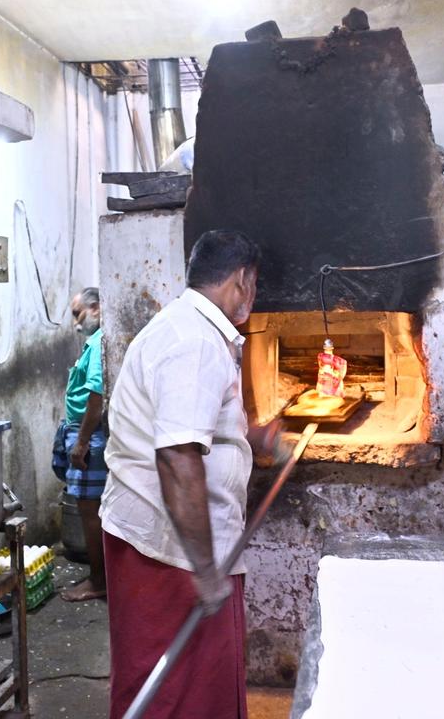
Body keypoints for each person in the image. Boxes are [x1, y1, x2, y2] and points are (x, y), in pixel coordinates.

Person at [100, 229, 280, 719]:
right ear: (242, 280)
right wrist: (204, 572)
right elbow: (178, 460)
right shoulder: (195, 343)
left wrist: (250, 436)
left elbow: (187, 427)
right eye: (255, 284)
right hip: (172, 553)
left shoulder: (181, 327)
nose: (253, 295)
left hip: (166, 542)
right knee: (178, 692)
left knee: (181, 681)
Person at [51, 286, 108, 602]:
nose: (75, 322)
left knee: (91, 512)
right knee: (89, 509)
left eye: (78, 313)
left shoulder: (100, 343)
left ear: (96, 308)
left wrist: (82, 442)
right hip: (82, 432)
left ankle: (99, 581)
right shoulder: (93, 343)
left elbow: (96, 398)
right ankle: (98, 576)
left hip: (90, 436)